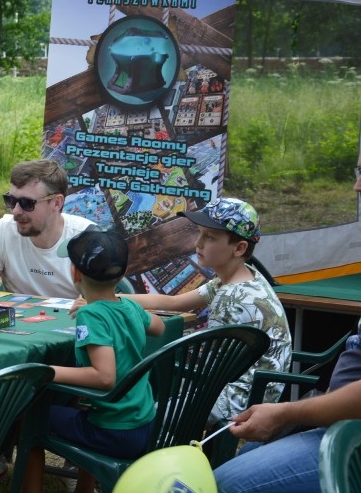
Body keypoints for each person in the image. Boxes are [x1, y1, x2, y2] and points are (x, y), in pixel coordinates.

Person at [212, 164, 361, 492]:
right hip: (334, 418)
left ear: (239, 249)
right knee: (247, 456)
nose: (356, 186)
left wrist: (285, 414)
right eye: (358, 170)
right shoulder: (223, 284)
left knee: (227, 482)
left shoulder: (241, 292)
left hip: (349, 436)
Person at [22, 226, 165, 493]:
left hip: (114, 432)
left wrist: (46, 370)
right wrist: (120, 309)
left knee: (31, 417)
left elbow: (104, 376)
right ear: (122, 274)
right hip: (144, 424)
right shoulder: (129, 306)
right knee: (80, 406)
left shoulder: (92, 316)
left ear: (75, 273)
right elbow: (159, 327)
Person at [126, 197, 292, 425]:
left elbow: (214, 372)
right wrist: (112, 298)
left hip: (241, 398)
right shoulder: (239, 276)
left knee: (140, 418)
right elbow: (175, 303)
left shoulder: (232, 299)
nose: (199, 243)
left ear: (239, 248)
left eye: (210, 237)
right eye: (200, 233)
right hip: (255, 386)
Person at [0, 159, 95, 299]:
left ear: (56, 203)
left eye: (26, 203)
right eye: (11, 200)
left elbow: (115, 300)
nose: (16, 211)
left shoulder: (88, 238)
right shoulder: (3, 230)